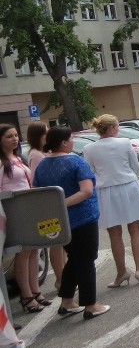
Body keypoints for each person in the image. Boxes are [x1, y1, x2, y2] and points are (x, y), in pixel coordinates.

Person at [33, 126, 110, 320]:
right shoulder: (75, 162)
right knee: (86, 260)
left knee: (74, 258)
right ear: (64, 142)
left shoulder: (42, 165)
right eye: (70, 139)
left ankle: (67, 300)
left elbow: (37, 192)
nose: (72, 142)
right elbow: (86, 190)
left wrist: (56, 208)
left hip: (60, 221)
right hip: (82, 218)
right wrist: (63, 203)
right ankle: (91, 305)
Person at [82, 114, 139, 287]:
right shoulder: (124, 143)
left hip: (106, 191)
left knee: (114, 234)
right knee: (135, 229)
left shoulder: (89, 148)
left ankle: (121, 272)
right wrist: (129, 177)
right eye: (117, 126)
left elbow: (89, 172)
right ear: (112, 128)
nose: (118, 129)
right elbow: (134, 166)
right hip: (128, 186)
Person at [0, 124, 51, 315]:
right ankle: (26, 295)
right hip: (14, 211)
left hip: (29, 208)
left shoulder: (18, 158)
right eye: (8, 137)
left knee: (34, 250)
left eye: (15, 135)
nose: (14, 139)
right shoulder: (1, 161)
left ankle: (35, 291)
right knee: (22, 253)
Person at [26, 121, 67, 290]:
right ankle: (60, 279)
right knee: (56, 242)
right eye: (46, 132)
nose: (48, 135)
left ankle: (63, 277)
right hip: (47, 204)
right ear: (39, 136)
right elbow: (38, 181)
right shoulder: (36, 155)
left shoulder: (38, 153)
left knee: (61, 242)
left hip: (50, 202)